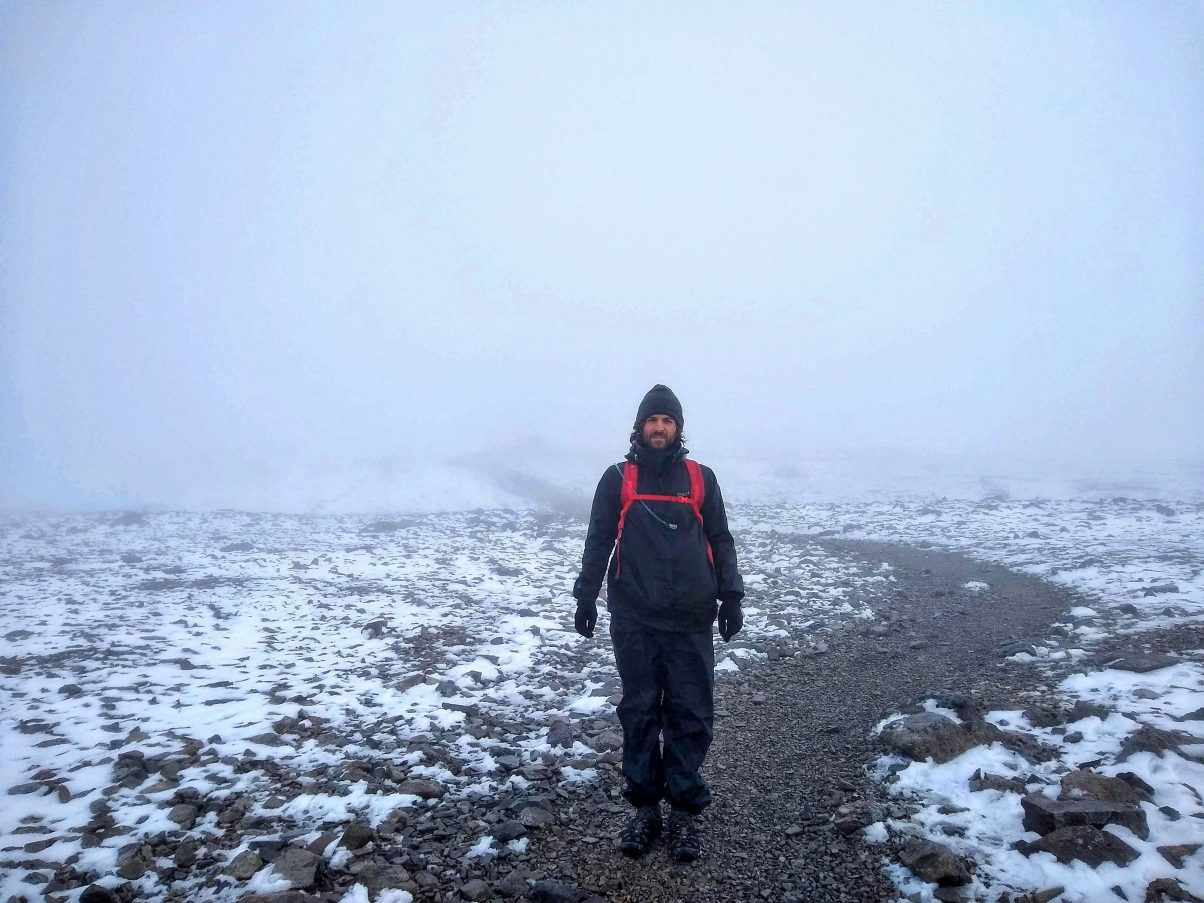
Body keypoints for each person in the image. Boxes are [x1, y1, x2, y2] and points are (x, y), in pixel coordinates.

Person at [572, 384, 745, 862]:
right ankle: (645, 807)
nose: (660, 428)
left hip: (691, 615)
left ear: (678, 428)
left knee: (691, 712)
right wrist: (585, 596)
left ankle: (685, 811)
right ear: (639, 426)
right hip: (634, 617)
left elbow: (721, 539)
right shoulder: (617, 478)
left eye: (668, 421)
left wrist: (731, 597)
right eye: (653, 420)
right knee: (641, 711)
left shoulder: (700, 478)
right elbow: (599, 539)